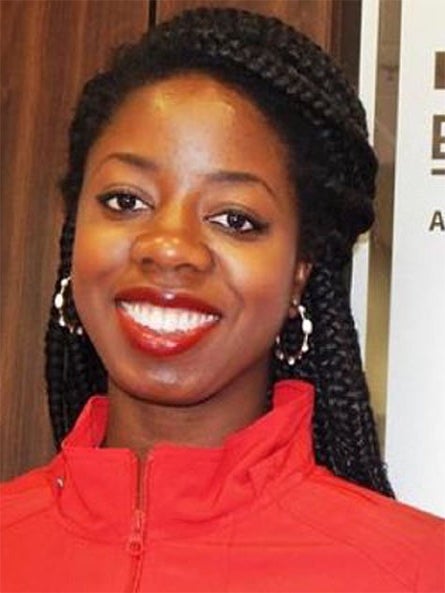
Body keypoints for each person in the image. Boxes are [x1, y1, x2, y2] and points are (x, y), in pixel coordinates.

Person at [1, 7, 443, 593]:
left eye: (235, 218)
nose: (168, 247)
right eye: (126, 201)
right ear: (74, 231)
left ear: (299, 273)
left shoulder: (419, 571)